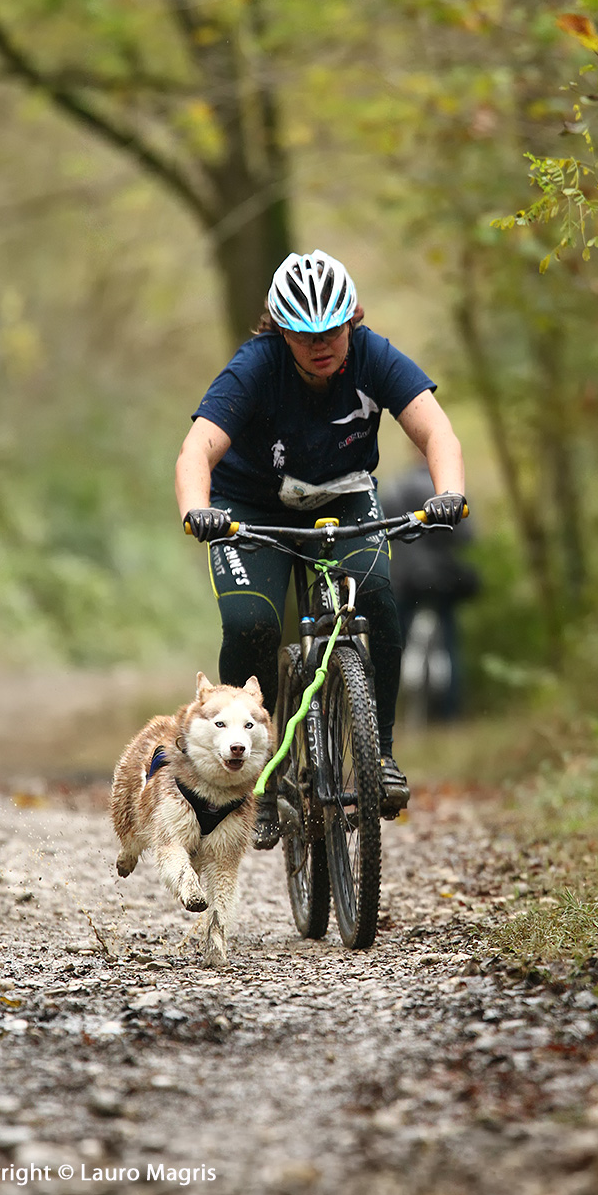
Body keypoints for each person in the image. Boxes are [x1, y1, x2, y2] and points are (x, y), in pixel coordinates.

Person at [175, 249, 466, 849]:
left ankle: (379, 752)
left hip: (343, 497)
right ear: (281, 331)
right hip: (251, 509)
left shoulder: (373, 356)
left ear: (351, 320)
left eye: (332, 329)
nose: (320, 344)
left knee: (380, 597)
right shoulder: (254, 368)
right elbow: (196, 450)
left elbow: (436, 429)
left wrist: (450, 493)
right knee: (253, 624)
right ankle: (260, 775)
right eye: (304, 335)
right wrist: (195, 509)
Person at [384, 456, 481, 721]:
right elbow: (467, 536)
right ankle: (450, 711)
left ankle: (391, 709)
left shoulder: (395, 487)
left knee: (397, 642)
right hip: (441, 580)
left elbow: (385, 531)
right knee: (449, 641)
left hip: (405, 580)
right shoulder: (449, 494)